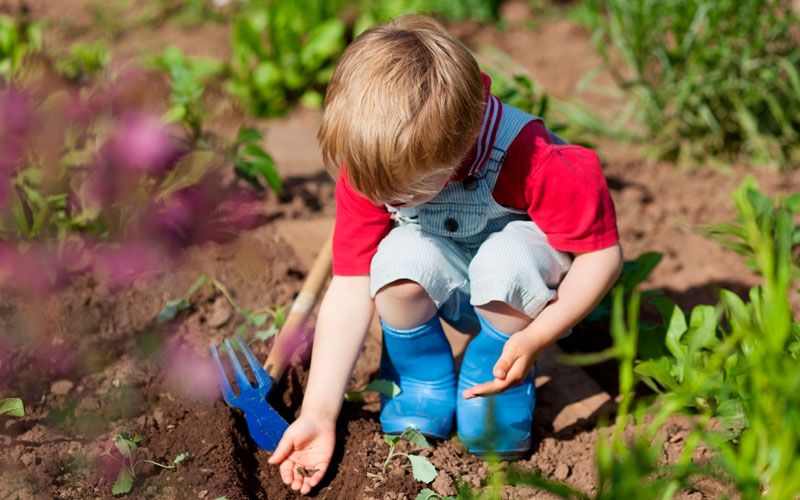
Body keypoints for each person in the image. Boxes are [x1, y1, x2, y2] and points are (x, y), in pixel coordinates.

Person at [267, 14, 623, 494]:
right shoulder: (377, 162)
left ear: (458, 152)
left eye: (405, 195)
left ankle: (496, 374)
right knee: (392, 264)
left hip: (521, 290)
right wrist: (317, 412)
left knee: (505, 261)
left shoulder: (532, 158)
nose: (390, 204)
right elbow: (350, 285)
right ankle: (422, 381)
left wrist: (538, 337)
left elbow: (601, 255)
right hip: (452, 272)